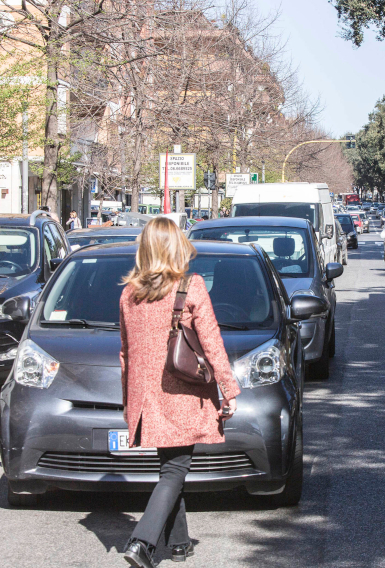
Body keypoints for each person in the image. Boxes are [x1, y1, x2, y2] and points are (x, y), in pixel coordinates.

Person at [119, 217, 240, 568]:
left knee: (170, 467)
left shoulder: (129, 293)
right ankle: (142, 541)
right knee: (175, 470)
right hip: (183, 394)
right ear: (176, 247)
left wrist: (130, 403)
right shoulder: (191, 287)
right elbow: (212, 343)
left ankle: (179, 543)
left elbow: (125, 353)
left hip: (147, 397)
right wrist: (228, 389)